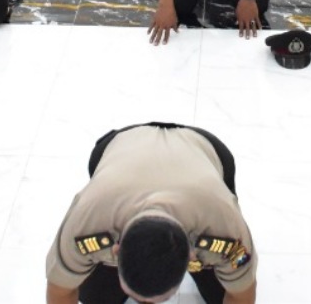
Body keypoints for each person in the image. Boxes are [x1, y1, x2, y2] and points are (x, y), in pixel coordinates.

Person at [44, 123, 258, 304]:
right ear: (116, 251)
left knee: (221, 294)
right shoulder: (87, 220)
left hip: (202, 150)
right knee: (95, 296)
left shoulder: (224, 226)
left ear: (191, 257)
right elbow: (61, 291)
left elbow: (241, 295)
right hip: (123, 146)